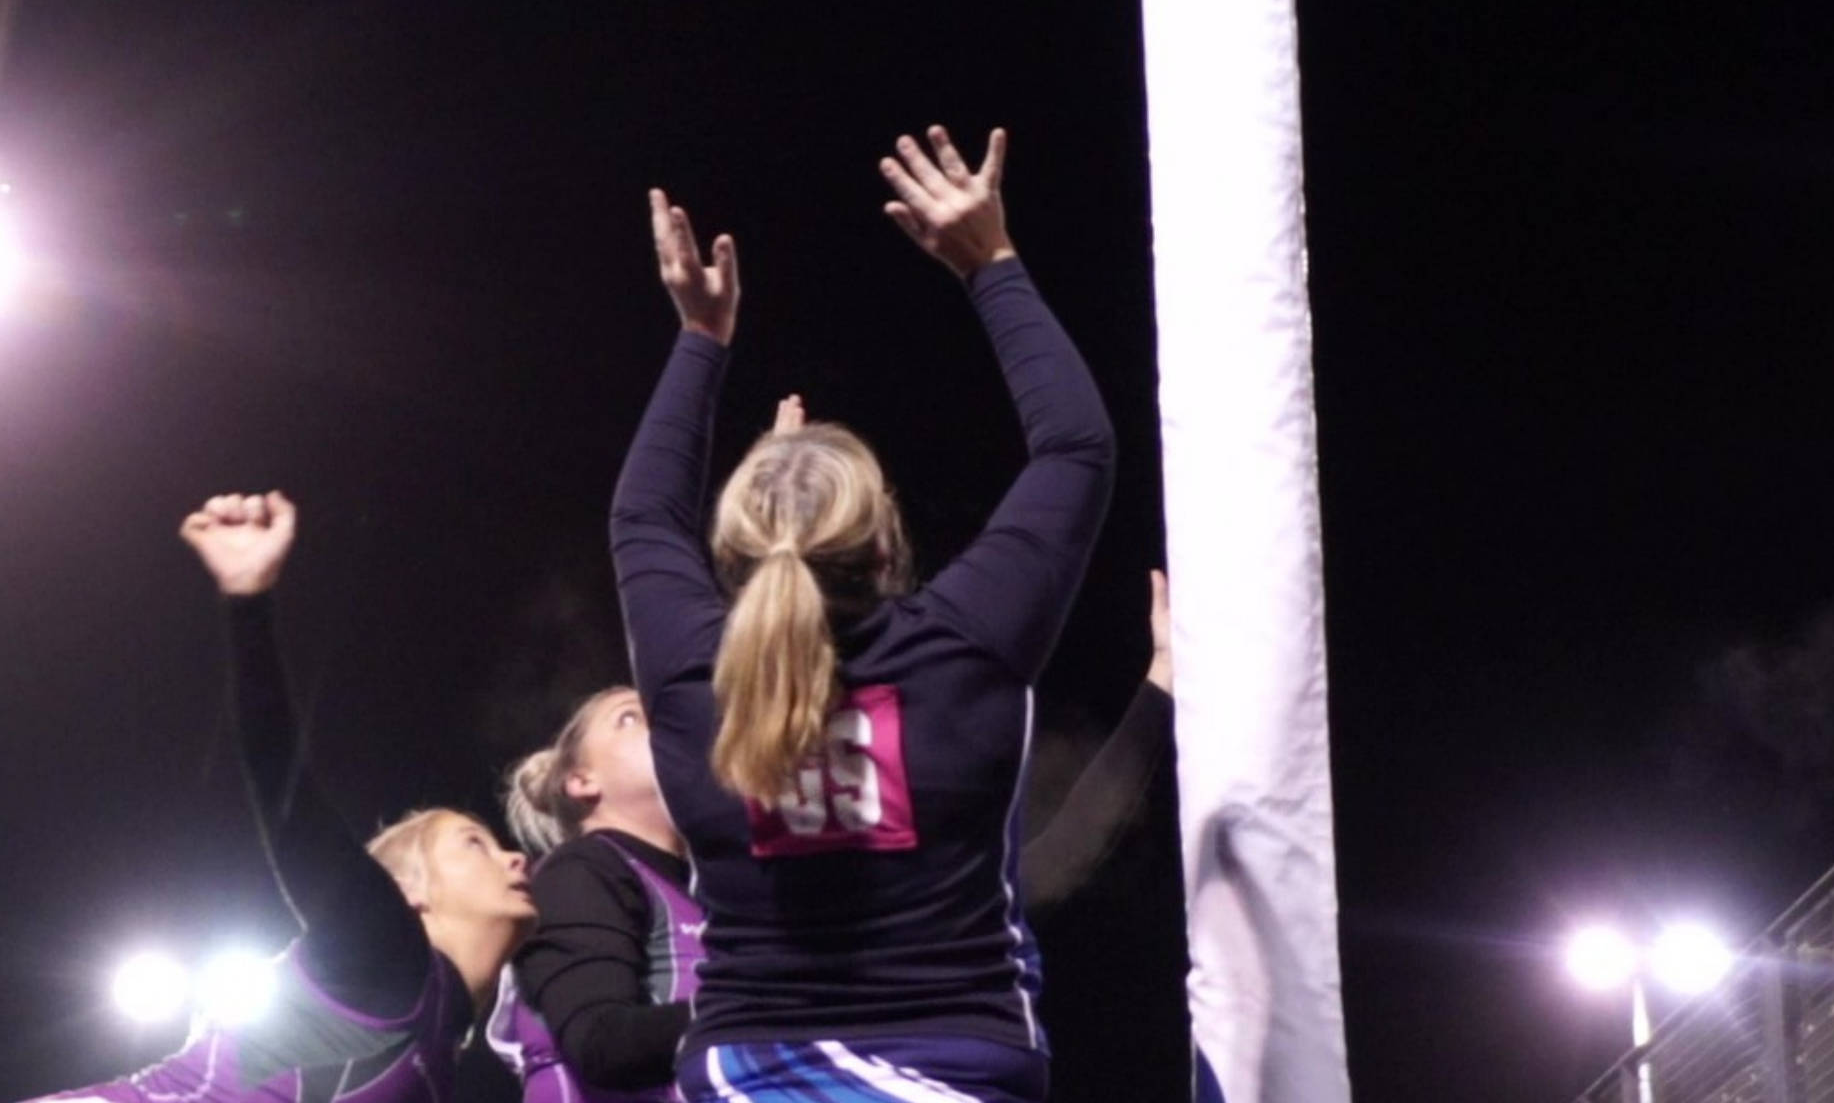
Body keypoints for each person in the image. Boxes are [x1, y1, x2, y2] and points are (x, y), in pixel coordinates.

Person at [610, 125, 1116, 1103]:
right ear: (887, 543)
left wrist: (699, 340)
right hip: (958, 1069)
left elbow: (642, 513)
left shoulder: (692, 673)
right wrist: (992, 262)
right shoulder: (964, 645)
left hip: (750, 1075)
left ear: (733, 553)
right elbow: (1076, 452)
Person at [489, 556, 1171, 1098]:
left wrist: (1160, 694)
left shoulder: (738, 878)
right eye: (631, 718)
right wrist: (806, 999)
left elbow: (1040, 870)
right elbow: (603, 1044)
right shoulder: (585, 871)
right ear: (582, 781)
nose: (667, 724)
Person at [33, 493, 536, 1103]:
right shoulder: (389, 954)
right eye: (474, 844)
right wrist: (248, 603)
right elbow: (285, 792)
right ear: (411, 893)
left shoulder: (442, 1037)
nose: (514, 858)